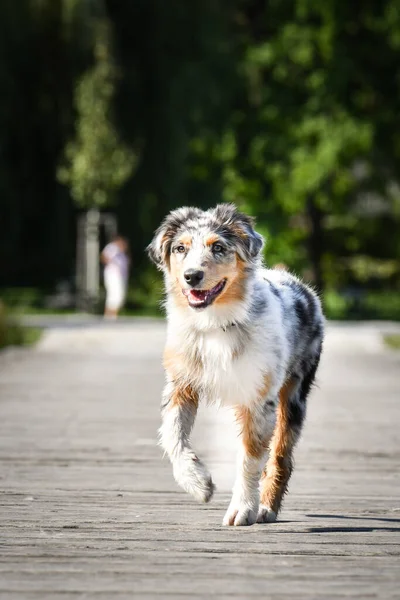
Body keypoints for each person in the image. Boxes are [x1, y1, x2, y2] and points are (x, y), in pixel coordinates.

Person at [101, 235, 130, 319]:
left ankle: (111, 315)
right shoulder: (112, 248)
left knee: (119, 296)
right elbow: (104, 256)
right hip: (113, 275)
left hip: (121, 276)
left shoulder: (122, 253)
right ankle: (111, 315)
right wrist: (110, 263)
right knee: (115, 295)